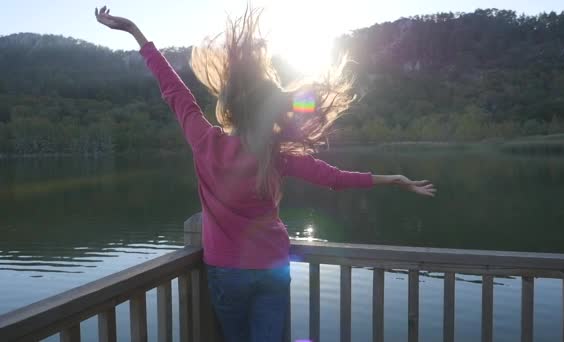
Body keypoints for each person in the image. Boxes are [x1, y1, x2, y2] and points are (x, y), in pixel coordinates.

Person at [95, 5, 436, 342]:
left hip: (226, 271)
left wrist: (135, 32)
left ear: (229, 108)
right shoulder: (277, 154)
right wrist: (393, 179)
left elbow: (174, 90)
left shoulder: (204, 140)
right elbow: (334, 178)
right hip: (271, 267)